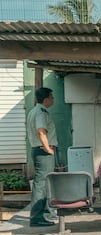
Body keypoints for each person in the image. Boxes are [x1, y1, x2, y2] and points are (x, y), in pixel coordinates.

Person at [27, 87, 58, 227]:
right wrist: (48, 149)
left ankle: (46, 211)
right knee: (41, 184)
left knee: (44, 183)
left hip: (39, 150)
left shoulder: (34, 111)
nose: (53, 99)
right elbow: (41, 131)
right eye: (51, 97)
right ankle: (36, 217)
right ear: (45, 99)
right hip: (43, 151)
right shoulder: (40, 112)